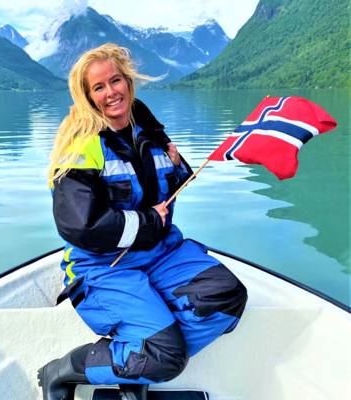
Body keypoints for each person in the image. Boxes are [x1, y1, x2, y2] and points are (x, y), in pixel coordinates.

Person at [38, 43, 248, 400]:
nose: (110, 93)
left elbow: (168, 185)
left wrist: (180, 165)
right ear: (87, 96)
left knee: (227, 299)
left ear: (129, 82)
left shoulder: (149, 130)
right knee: (168, 355)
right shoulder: (81, 145)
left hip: (163, 255)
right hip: (104, 268)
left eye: (115, 81)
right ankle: (67, 369)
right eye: (98, 88)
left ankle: (138, 359)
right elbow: (81, 226)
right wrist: (148, 222)